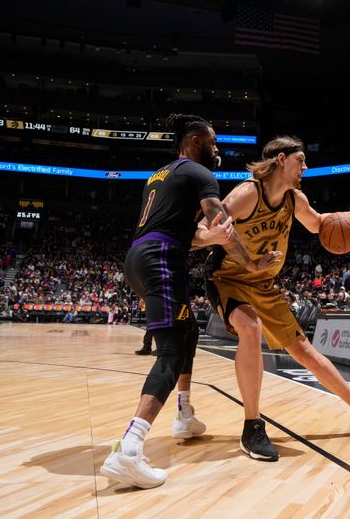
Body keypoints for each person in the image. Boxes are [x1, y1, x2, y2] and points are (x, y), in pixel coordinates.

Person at [101, 113, 278, 489]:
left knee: (189, 331)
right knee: (170, 352)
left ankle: (183, 413)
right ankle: (128, 449)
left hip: (140, 256)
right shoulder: (201, 174)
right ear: (194, 140)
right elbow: (223, 227)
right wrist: (252, 262)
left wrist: (210, 238)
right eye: (212, 141)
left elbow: (194, 234)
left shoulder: (159, 175)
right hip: (161, 259)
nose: (217, 148)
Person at [204, 135, 350, 462]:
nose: (305, 167)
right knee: (251, 328)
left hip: (264, 284)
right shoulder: (248, 194)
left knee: (306, 353)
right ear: (280, 159)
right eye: (300, 160)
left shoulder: (295, 199)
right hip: (227, 278)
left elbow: (320, 224)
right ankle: (252, 425)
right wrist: (233, 249)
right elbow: (209, 228)